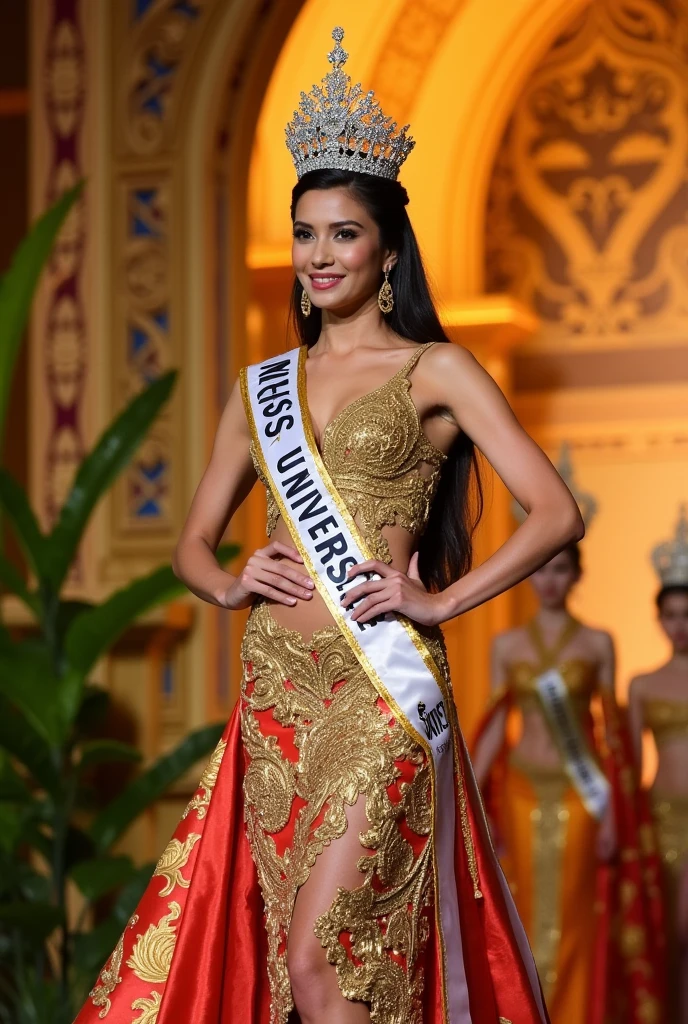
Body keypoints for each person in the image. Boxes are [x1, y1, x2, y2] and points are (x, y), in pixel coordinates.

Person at [74, 27, 585, 1024]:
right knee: (290, 976)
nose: (318, 255)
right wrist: (225, 582)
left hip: (378, 698)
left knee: (321, 959)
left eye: (341, 234)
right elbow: (190, 540)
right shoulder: (262, 384)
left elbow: (555, 511)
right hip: (273, 701)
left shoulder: (435, 370)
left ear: (385, 249)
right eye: (306, 233)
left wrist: (439, 597)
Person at [472, 452, 665, 1024]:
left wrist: (614, 815)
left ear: (578, 574)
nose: (550, 581)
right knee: (525, 916)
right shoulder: (506, 646)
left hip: (585, 799)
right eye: (541, 569)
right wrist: (475, 801)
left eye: (561, 569)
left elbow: (610, 736)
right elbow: (490, 731)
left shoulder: (598, 643)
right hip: (521, 791)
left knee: (580, 919)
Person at [629, 506, 688, 1024]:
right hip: (662, 815)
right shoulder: (642, 685)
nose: (681, 625)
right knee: (666, 932)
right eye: (673, 615)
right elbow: (625, 762)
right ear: (660, 619)